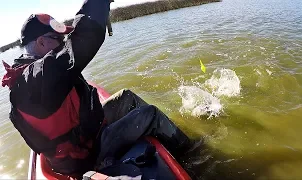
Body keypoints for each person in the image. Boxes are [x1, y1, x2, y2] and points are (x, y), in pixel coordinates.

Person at [1, 0, 199, 177]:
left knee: (126, 97)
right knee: (150, 114)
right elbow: (84, 39)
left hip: (88, 133)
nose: (62, 44)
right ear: (41, 41)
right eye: (57, 39)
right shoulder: (34, 80)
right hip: (87, 157)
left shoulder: (34, 73)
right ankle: (196, 153)